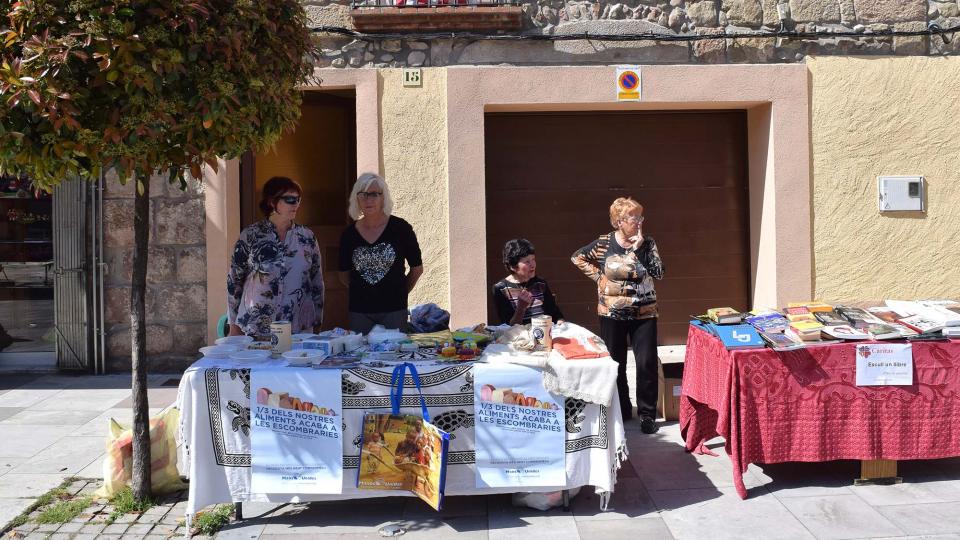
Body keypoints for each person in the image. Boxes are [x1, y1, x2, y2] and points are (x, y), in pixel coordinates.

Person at [571, 197, 664, 433]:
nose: (639, 222)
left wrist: (641, 247)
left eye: (641, 217)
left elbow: (659, 272)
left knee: (646, 363)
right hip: (611, 313)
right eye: (635, 218)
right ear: (620, 221)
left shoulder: (648, 242)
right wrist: (598, 277)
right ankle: (622, 409)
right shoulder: (604, 242)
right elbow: (577, 257)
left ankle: (647, 415)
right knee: (616, 362)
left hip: (644, 312)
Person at [227, 176, 324, 337]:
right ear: (272, 202)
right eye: (290, 199)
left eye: (298, 199)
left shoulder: (307, 237)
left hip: (298, 327)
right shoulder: (250, 235)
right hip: (256, 327)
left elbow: (316, 282)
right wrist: (233, 325)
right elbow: (234, 281)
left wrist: (318, 321)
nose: (296, 204)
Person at [339, 173, 423, 334]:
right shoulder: (348, 234)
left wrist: (399, 292)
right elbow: (343, 275)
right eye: (363, 194)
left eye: (374, 194)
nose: (368, 200)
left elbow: (417, 269)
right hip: (359, 311)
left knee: (393, 356)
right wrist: (366, 292)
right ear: (356, 199)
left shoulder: (401, 228)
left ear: (383, 198)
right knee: (360, 355)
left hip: (394, 310)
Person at [492, 238, 565, 326]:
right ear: (513, 267)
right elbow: (508, 327)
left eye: (533, 259)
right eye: (527, 262)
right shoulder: (501, 288)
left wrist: (561, 323)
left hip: (544, 334)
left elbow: (555, 314)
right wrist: (521, 308)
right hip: (520, 338)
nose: (533, 265)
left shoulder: (541, 284)